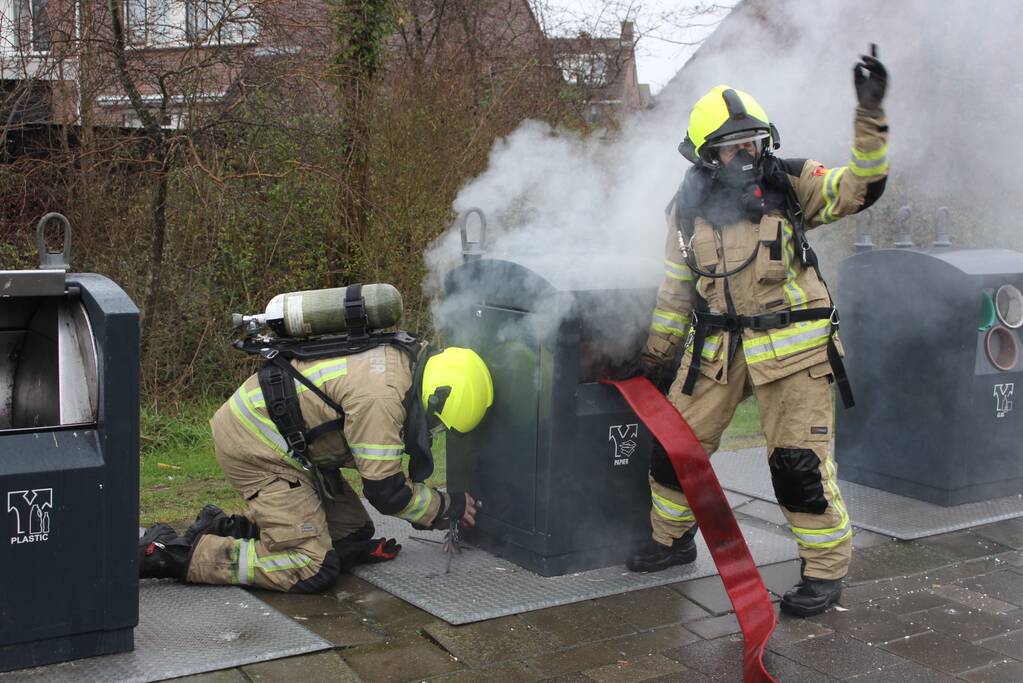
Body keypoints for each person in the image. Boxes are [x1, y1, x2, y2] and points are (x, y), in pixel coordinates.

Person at [627, 49, 889, 618]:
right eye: (732, 145)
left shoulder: (793, 182)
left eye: (752, 141)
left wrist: (869, 116)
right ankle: (672, 543)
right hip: (719, 349)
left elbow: (862, 187)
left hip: (795, 352)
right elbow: (677, 290)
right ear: (706, 155)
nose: (746, 153)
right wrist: (655, 357)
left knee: (797, 465)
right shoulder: (686, 210)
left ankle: (823, 573)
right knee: (675, 449)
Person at [139, 340, 493, 594]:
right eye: (438, 422)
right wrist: (446, 506)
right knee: (311, 567)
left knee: (351, 533)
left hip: (295, 449)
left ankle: (220, 526)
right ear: (436, 396)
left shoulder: (408, 360)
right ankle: (174, 554)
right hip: (256, 446)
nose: (434, 430)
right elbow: (386, 491)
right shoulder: (382, 398)